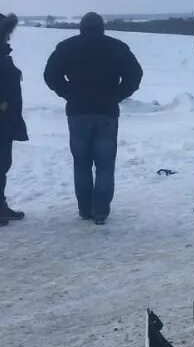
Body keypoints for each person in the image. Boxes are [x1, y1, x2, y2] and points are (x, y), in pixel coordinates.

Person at [44, 12, 143, 224]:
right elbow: (135, 75)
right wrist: (117, 95)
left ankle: (84, 209)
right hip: (106, 112)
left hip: (77, 112)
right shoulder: (117, 47)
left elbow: (50, 74)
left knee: (81, 163)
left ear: (81, 27)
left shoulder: (67, 47)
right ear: (102, 28)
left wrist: (67, 92)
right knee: (105, 164)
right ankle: (100, 211)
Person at [0, 12, 28, 227]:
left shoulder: (2, 53)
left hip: (6, 120)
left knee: (2, 163)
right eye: (7, 33)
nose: (9, 37)